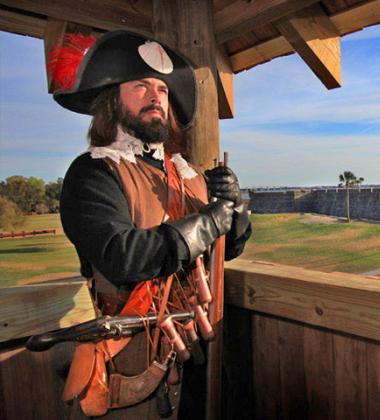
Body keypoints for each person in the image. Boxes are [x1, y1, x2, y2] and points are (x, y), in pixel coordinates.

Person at [50, 30, 251, 418]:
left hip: (199, 355)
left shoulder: (187, 173)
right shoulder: (95, 172)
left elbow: (224, 253)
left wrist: (234, 212)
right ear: (112, 101)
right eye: (140, 86)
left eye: (160, 87)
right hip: (131, 366)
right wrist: (207, 224)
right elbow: (122, 257)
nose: (156, 95)